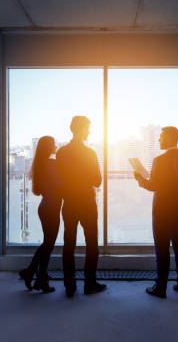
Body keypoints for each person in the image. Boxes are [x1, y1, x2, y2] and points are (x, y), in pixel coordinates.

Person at [134, 126, 178, 298]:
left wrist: (139, 179)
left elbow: (153, 185)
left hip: (161, 211)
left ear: (169, 138)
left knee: (162, 251)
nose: (159, 140)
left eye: (161, 137)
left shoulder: (159, 160)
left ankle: (160, 288)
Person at [56, 116, 106, 297]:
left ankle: (70, 286)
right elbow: (98, 180)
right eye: (88, 128)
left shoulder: (61, 152)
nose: (89, 132)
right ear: (81, 129)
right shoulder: (89, 153)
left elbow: (58, 179)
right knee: (92, 244)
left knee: (69, 244)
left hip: (69, 201)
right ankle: (89, 284)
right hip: (86, 201)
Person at [18, 136, 62, 293]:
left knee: (47, 244)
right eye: (54, 144)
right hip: (51, 209)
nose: (56, 146)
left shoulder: (40, 164)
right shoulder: (51, 164)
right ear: (49, 147)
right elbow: (60, 185)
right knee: (48, 245)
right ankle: (34, 274)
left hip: (45, 208)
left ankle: (37, 276)